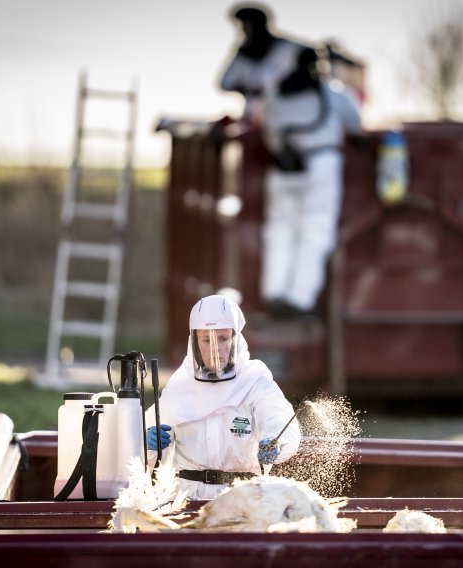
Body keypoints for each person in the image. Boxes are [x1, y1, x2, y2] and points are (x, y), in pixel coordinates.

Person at [219, 3, 363, 317]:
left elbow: (266, 128)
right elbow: (356, 123)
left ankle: (274, 293)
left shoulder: (272, 100)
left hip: (283, 169)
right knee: (315, 230)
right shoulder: (332, 94)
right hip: (322, 166)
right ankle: (300, 300)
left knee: (280, 231)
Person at [144, 294, 301, 499]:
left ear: (237, 339)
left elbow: (280, 421)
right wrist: (147, 442)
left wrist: (275, 443)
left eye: (223, 338)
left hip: (243, 497)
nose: (215, 348)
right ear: (195, 342)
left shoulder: (255, 384)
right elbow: (140, 445)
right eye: (206, 340)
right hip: (185, 499)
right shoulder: (179, 388)